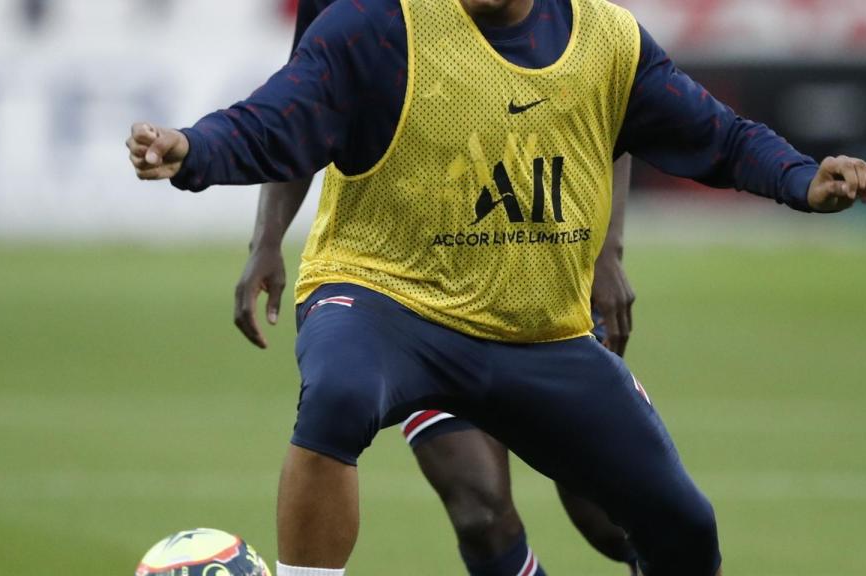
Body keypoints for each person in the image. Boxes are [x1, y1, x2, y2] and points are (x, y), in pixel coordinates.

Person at [126, 0, 866, 574]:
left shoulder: (607, 37)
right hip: (391, 304)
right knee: (348, 400)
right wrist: (192, 150)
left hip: (537, 329)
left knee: (675, 525)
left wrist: (799, 177)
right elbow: (277, 118)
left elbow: (714, 136)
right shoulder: (375, 27)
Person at [234, 4, 640, 574]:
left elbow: (608, 89)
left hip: (541, 280)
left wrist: (606, 251)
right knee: (479, 513)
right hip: (411, 294)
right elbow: (307, 105)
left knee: (610, 513)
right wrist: (267, 238)